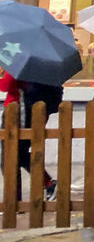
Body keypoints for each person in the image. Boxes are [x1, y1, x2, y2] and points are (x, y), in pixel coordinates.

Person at [0, 71, 58, 200]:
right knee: (20, 154)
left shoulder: (21, 62)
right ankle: (48, 183)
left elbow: (6, 85)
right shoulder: (41, 63)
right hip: (34, 112)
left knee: (9, 158)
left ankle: (14, 200)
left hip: (17, 113)